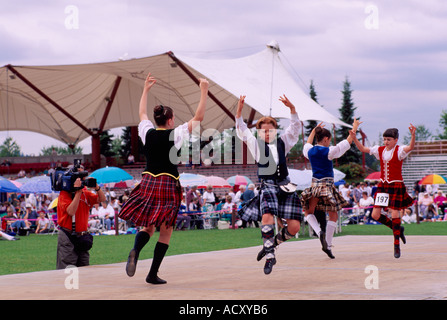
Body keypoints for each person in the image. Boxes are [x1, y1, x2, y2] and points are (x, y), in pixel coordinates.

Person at [119, 72, 209, 285]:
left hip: (148, 181)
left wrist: (145, 90)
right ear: (169, 120)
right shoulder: (175, 134)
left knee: (147, 226)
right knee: (166, 230)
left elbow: (141, 113)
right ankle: (152, 274)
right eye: (173, 118)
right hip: (168, 183)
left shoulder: (147, 132)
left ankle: (135, 249)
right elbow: (199, 118)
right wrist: (203, 91)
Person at [236, 94, 302, 274]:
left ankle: (270, 245)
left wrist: (292, 109)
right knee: (267, 218)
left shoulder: (283, 142)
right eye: (263, 130)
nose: (267, 133)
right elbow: (242, 129)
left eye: (270, 130)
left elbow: (295, 128)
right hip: (268, 186)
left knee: (294, 226)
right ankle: (270, 257)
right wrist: (240, 111)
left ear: (275, 130)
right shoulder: (255, 144)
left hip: (285, 185)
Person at [350, 124, 416, 258]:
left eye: (389, 139)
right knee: (375, 215)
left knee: (395, 212)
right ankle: (397, 228)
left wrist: (413, 135)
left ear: (395, 140)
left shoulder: (399, 150)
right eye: (384, 139)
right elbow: (362, 148)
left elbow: (410, 147)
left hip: (396, 184)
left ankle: (396, 245)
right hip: (383, 185)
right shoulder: (379, 150)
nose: (386, 142)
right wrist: (354, 138)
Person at [301, 119, 360, 258]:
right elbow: (346, 143)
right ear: (326, 139)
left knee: (308, 212)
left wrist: (313, 131)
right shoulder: (329, 151)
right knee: (333, 214)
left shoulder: (309, 151)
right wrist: (354, 128)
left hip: (315, 185)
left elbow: (307, 144)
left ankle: (318, 232)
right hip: (327, 185)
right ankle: (327, 243)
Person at [56, 167, 106, 269]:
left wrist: (96, 187)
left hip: (82, 236)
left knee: (84, 268)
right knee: (67, 269)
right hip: (68, 234)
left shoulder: (85, 193)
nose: (82, 180)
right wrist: (78, 192)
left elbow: (102, 199)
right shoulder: (64, 194)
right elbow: (71, 211)